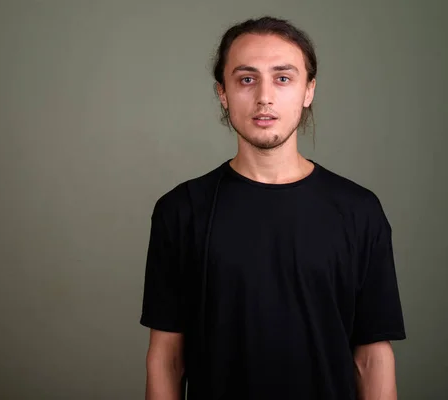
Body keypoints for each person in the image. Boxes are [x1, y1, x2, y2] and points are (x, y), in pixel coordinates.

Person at [139, 16, 406, 400]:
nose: (264, 96)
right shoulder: (181, 211)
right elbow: (167, 359)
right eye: (247, 79)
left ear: (308, 90)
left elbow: (372, 357)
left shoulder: (359, 211)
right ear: (223, 93)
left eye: (283, 78)